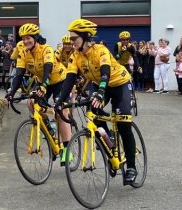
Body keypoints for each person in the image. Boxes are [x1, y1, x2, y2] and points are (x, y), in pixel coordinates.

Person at [53, 18, 137, 183]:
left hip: (119, 83)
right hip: (100, 86)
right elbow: (69, 80)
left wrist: (100, 92)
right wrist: (59, 101)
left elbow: (105, 72)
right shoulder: (75, 56)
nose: (71, 42)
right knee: (91, 110)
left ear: (85, 37)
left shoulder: (101, 50)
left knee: (123, 123)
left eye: (74, 38)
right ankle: (108, 137)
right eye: (70, 38)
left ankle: (132, 167)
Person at [5, 23, 72, 164]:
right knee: (31, 102)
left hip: (59, 80)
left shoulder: (46, 49)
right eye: (23, 39)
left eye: (28, 38)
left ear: (35, 38)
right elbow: (19, 74)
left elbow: (48, 68)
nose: (26, 41)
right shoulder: (23, 52)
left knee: (61, 112)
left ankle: (67, 149)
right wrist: (11, 92)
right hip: (42, 81)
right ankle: (49, 129)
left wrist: (43, 86)